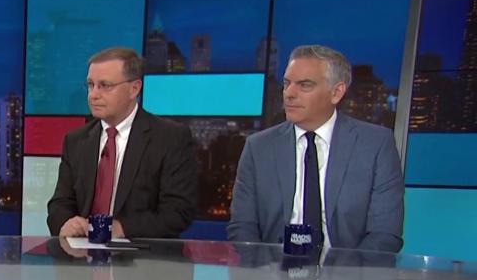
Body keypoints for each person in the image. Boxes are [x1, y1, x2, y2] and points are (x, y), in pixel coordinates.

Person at [227, 44, 404, 252]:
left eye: (304, 85)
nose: (289, 93)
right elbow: (242, 227)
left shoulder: (375, 145)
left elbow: (385, 234)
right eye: (287, 83)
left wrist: (345, 271)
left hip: (348, 269)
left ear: (336, 93)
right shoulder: (258, 147)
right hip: (271, 268)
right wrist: (262, 267)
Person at [46, 47, 197, 240]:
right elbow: (60, 203)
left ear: (134, 88)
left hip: (142, 255)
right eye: (91, 85)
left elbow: (178, 211)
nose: (93, 95)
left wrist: (118, 228)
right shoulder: (76, 141)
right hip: (82, 253)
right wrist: (66, 223)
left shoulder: (170, 138)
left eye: (105, 85)